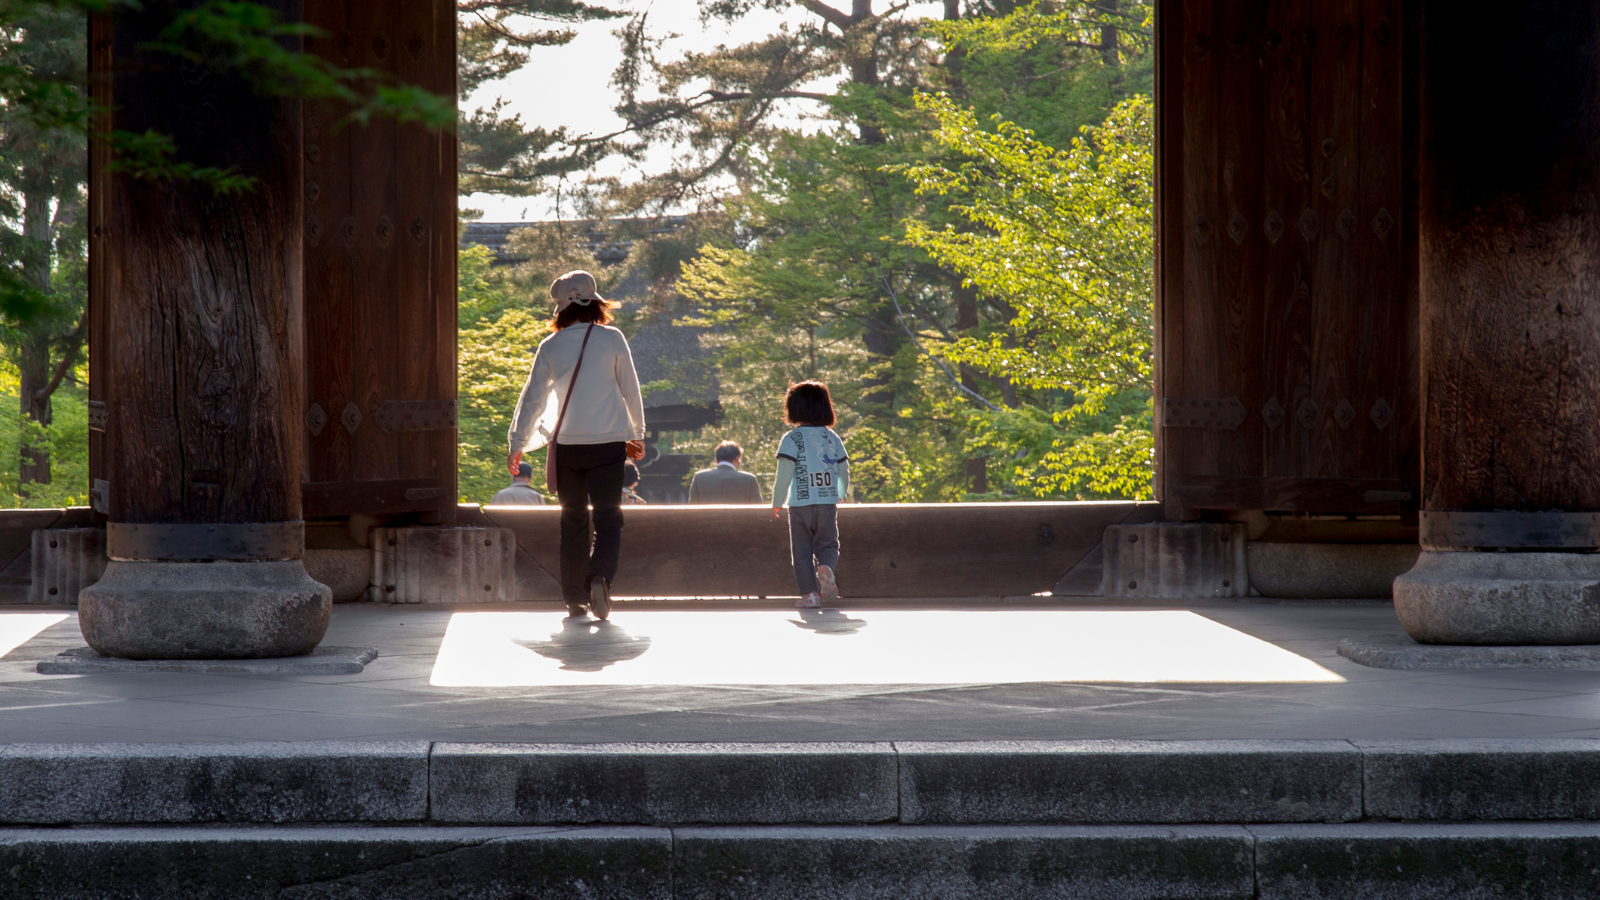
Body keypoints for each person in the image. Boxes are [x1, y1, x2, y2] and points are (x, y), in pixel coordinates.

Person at [507, 270, 646, 620]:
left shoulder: (550, 346)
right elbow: (630, 387)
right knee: (609, 519)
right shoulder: (612, 338)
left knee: (572, 521)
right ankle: (599, 576)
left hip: (568, 446)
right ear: (596, 303)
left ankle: (574, 598)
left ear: (561, 308)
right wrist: (638, 433)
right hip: (609, 444)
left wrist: (517, 442)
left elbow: (532, 400)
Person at [770, 381, 849, 609]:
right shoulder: (832, 437)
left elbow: (784, 474)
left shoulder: (791, 439)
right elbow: (844, 469)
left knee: (802, 551)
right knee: (828, 546)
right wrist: (841, 491)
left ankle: (810, 596)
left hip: (799, 505)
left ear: (793, 408)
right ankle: (826, 568)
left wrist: (777, 501)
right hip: (826, 502)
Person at [688, 440, 763, 504]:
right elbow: (760, 510)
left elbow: (691, 509)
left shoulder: (699, 477)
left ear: (716, 460)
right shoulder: (749, 480)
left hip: (707, 521)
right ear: (736, 459)